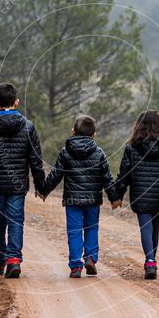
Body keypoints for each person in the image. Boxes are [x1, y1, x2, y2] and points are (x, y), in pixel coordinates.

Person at [0, 82, 45, 278]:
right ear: (17, 102)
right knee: (15, 221)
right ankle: (13, 260)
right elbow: (35, 160)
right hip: (17, 186)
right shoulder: (28, 127)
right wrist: (41, 186)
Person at [40, 114, 120, 278]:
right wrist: (114, 197)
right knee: (91, 228)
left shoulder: (66, 152)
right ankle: (90, 257)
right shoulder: (99, 153)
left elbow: (56, 175)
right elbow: (107, 178)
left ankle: (76, 266)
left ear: (73, 131)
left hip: (72, 200)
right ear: (93, 135)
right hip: (92, 200)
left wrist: (44, 190)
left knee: (74, 231)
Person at [115, 110, 159, 279]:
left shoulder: (131, 149)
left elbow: (124, 175)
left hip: (140, 195)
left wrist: (116, 195)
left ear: (139, 126)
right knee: (155, 229)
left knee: (145, 228)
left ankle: (150, 261)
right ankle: (151, 262)